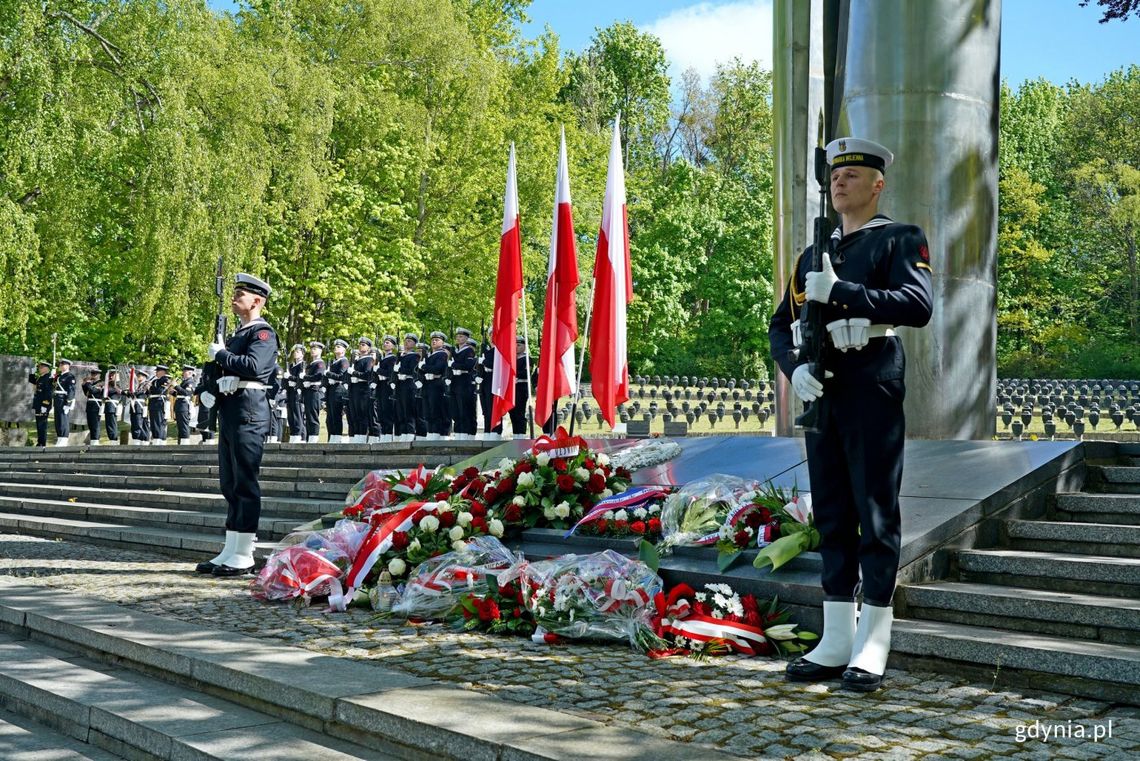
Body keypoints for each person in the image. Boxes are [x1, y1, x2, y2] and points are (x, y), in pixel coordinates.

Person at [769, 137, 933, 692]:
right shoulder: (812, 254)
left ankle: (874, 639)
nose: (840, 182)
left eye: (853, 175)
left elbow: (918, 304)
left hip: (871, 388)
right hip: (823, 394)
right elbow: (779, 326)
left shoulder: (899, 238)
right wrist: (796, 368)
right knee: (833, 515)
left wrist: (844, 292)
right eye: (835, 176)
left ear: (877, 184)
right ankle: (837, 636)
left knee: (875, 513)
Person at [196, 273, 278, 577]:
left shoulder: (263, 333)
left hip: (249, 411)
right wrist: (209, 387)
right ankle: (231, 548)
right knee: (229, 483)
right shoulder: (237, 335)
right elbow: (224, 370)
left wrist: (222, 354)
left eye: (240, 294)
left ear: (256, 301)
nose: (234, 298)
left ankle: (244, 553)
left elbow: (255, 367)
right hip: (231, 410)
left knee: (245, 481)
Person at [348, 337, 375, 443]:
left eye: (363, 345)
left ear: (368, 348)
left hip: (363, 390)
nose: (360, 346)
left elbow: (368, 375)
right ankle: (357, 436)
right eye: (360, 344)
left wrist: (354, 373)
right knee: (355, 414)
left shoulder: (369, 359)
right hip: (354, 389)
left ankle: (362, 437)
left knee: (362, 414)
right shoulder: (357, 360)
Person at [451, 328, 477, 438]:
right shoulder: (455, 350)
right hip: (455, 382)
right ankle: (458, 433)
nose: (458, 338)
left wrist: (454, 365)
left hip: (464, 382)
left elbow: (468, 366)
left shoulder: (468, 350)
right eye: (457, 336)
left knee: (464, 409)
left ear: (466, 338)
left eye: (461, 336)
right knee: (456, 410)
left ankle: (466, 433)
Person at [422, 332, 449, 439]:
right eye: (432, 340)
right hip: (427, 385)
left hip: (436, 385)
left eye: (437, 340)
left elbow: (438, 368)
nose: (434, 341)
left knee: (435, 409)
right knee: (427, 410)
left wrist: (424, 367)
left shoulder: (442, 354)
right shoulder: (428, 355)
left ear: (442, 342)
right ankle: (430, 432)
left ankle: (436, 432)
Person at [393, 334, 419, 442]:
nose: (406, 342)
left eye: (409, 341)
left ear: (414, 344)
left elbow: (412, 370)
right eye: (405, 340)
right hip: (400, 385)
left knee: (408, 410)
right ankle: (403, 433)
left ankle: (410, 433)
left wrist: (400, 369)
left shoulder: (415, 356)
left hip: (409, 384)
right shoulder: (400, 356)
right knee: (401, 410)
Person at [475, 333, 501, 439]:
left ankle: (495, 432)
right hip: (485, 381)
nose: (491, 337)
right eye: (490, 335)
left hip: (494, 380)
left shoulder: (500, 351)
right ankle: (487, 431)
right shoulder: (487, 350)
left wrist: (484, 361)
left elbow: (497, 364)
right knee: (486, 409)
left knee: (493, 408)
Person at [324, 339, 350, 443]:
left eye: (338, 347)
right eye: (335, 346)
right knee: (330, 417)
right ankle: (331, 437)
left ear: (344, 350)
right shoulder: (333, 362)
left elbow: (342, 376)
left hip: (338, 390)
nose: (336, 348)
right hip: (331, 390)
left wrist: (329, 374)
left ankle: (337, 437)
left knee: (336, 415)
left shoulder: (344, 361)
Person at [374, 335, 398, 443]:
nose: (385, 344)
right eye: (384, 342)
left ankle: (388, 435)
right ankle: (383, 434)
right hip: (381, 387)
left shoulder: (392, 358)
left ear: (393, 346)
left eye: (388, 343)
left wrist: (378, 370)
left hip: (388, 387)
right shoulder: (382, 358)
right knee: (381, 412)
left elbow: (390, 373)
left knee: (387, 412)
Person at [302, 341, 326, 443]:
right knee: (308, 416)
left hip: (315, 391)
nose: (312, 350)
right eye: (311, 349)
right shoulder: (311, 364)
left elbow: (318, 376)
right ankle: (309, 438)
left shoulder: (320, 363)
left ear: (320, 351)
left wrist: (306, 377)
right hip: (309, 392)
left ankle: (314, 438)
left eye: (315, 349)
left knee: (313, 416)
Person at [510, 336, 532, 437]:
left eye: (518, 345)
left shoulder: (527, 358)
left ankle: (521, 434)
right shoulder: (511, 358)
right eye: (515, 345)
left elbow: (526, 373)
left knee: (519, 411)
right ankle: (515, 434)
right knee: (512, 412)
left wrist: (513, 373)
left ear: (524, 346)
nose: (516, 347)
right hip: (512, 388)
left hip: (521, 387)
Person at [52, 359, 76, 446]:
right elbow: (53, 385)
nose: (61, 366)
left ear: (68, 366)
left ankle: (64, 439)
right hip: (57, 400)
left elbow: (71, 391)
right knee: (58, 420)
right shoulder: (59, 376)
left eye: (63, 364)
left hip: (64, 400)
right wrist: (52, 375)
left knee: (63, 420)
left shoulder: (70, 376)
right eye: (60, 364)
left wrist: (68, 403)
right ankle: (59, 438)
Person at [28, 361, 53, 447]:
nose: (39, 369)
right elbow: (32, 381)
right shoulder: (41, 377)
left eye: (41, 367)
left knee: (42, 424)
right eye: (39, 367)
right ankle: (40, 442)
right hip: (38, 404)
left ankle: (42, 443)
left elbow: (48, 393)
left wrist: (45, 405)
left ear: (46, 368)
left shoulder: (48, 378)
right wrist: (32, 373)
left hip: (43, 405)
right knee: (39, 424)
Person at [285, 343, 306, 441]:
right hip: (290, 392)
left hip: (298, 393)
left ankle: (299, 436)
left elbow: (300, 379)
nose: (295, 353)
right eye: (294, 352)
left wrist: (290, 377)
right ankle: (293, 435)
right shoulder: (291, 366)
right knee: (291, 415)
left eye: (298, 352)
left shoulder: (303, 365)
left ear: (302, 354)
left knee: (297, 415)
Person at [147, 365, 172, 445]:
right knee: (153, 422)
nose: (156, 373)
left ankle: (159, 439)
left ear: (162, 372)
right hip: (153, 403)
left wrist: (150, 387)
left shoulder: (165, 380)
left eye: (157, 371)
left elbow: (160, 391)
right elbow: (149, 393)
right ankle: (155, 438)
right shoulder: (155, 381)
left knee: (159, 422)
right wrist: (147, 388)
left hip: (159, 403)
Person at [173, 366, 197, 445]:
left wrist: (176, 386)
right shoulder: (184, 381)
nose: (183, 373)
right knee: (180, 425)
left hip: (184, 406)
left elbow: (187, 393)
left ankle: (185, 443)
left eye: (184, 371)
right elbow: (180, 393)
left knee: (184, 425)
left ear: (190, 373)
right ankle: (180, 442)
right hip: (180, 405)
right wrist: (173, 392)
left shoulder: (191, 382)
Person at [81, 370, 103, 445]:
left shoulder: (101, 383)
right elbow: (86, 393)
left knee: (95, 423)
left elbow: (92, 390)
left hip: (96, 405)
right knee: (90, 423)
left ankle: (96, 439)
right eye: (92, 374)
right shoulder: (91, 383)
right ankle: (92, 439)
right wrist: (83, 384)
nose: (93, 375)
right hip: (89, 404)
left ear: (99, 375)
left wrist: (87, 383)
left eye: (95, 374)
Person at [101, 369, 123, 444]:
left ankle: (114, 439)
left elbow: (109, 391)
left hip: (112, 407)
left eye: (113, 375)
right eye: (110, 375)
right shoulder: (109, 384)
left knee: (112, 424)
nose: (111, 377)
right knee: (108, 424)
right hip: (108, 406)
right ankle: (111, 439)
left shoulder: (118, 385)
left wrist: (104, 386)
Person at [129, 370, 151, 445]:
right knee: (134, 423)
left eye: (139, 376)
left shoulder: (146, 384)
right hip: (134, 406)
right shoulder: (136, 385)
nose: (137, 377)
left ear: (144, 377)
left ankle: (143, 439)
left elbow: (141, 392)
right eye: (137, 375)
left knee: (140, 423)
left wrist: (133, 392)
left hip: (140, 406)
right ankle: (137, 439)